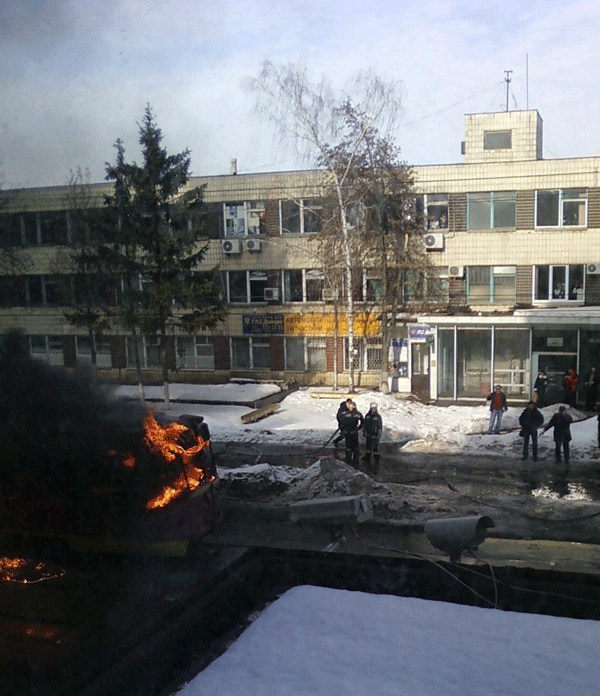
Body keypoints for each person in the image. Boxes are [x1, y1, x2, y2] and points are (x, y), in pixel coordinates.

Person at [338, 400, 363, 465]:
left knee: (355, 448)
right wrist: (343, 429)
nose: (351, 408)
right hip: (348, 433)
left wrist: (359, 428)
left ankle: (356, 461)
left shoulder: (358, 414)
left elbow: (363, 422)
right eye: (351, 406)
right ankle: (348, 460)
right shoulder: (345, 414)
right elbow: (341, 422)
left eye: (353, 406)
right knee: (348, 448)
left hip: (354, 433)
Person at [363, 403, 383, 473]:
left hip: (375, 435)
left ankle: (376, 460)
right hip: (368, 435)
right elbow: (364, 424)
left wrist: (379, 435)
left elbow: (380, 426)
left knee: (375, 448)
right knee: (368, 447)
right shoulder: (367, 416)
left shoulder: (378, 417)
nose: (373, 410)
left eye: (375, 408)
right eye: (372, 408)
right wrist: (364, 431)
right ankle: (367, 458)